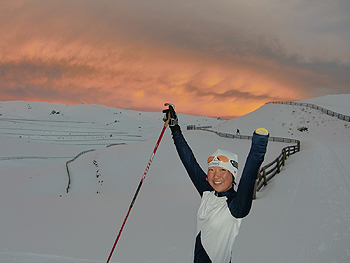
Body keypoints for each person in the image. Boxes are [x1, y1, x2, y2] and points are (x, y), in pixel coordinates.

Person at [163, 104, 269, 263]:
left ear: (232, 175)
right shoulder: (208, 191)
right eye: (212, 170)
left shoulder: (235, 206)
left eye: (222, 170)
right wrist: (175, 128)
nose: (216, 176)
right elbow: (189, 162)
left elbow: (249, 176)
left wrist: (258, 147)